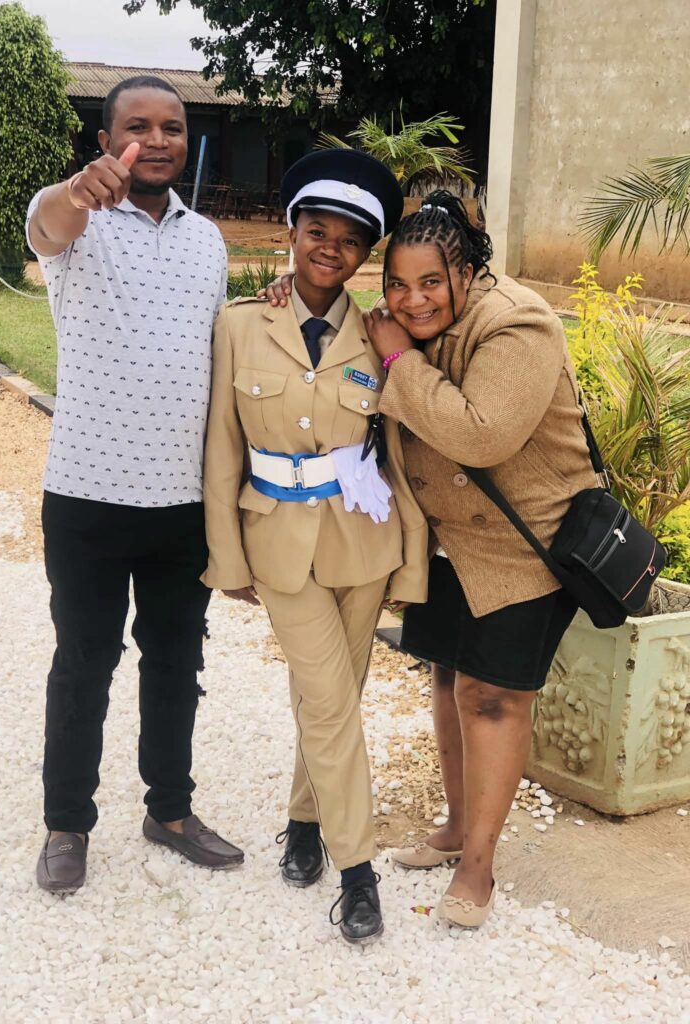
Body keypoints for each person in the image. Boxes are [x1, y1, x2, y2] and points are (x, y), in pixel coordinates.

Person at [202, 150, 428, 944]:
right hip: (278, 542)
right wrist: (226, 557)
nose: (331, 248)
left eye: (350, 239)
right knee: (329, 700)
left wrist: (410, 561)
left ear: (366, 253)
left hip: (364, 541)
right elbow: (222, 448)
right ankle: (357, 873)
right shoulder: (241, 324)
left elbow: (399, 453)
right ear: (292, 231)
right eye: (317, 230)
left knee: (332, 700)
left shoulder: (381, 334)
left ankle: (303, 821)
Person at [26, 75, 243, 893]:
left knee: (176, 663)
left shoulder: (208, 240)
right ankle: (66, 823)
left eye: (172, 128)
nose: (156, 141)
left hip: (181, 501)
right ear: (107, 139)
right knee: (84, 663)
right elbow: (46, 224)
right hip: (87, 493)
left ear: (187, 140)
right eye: (137, 127)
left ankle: (171, 811)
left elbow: (216, 346)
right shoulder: (75, 222)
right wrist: (75, 191)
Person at [361, 191, 596, 927]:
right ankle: (458, 827)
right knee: (448, 681)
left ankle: (479, 871)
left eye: (431, 282)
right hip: (448, 543)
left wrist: (397, 360)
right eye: (398, 284)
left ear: (466, 272)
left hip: (524, 547)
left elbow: (482, 435)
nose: (413, 299)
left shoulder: (518, 323)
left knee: (493, 698)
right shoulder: (411, 320)